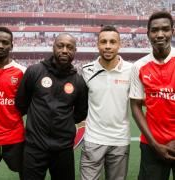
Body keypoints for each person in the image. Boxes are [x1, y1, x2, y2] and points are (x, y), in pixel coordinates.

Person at [15, 33, 88, 180]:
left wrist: (63, 124)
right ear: (53, 47)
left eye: (70, 47)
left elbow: (81, 113)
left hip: (63, 149)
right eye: (60, 46)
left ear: (75, 51)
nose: (65, 50)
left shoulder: (78, 81)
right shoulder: (34, 71)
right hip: (34, 147)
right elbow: (21, 103)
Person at [80, 25, 132, 180]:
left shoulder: (132, 70)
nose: (108, 46)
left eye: (112, 42)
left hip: (120, 140)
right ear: (97, 45)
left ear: (119, 45)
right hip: (92, 140)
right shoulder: (86, 70)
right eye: (103, 42)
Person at [129, 11, 175, 180]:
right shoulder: (139, 66)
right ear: (148, 34)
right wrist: (155, 144)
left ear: (172, 31)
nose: (160, 34)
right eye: (155, 30)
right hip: (152, 145)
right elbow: (135, 105)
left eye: (165, 29)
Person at [0, 26, 26, 179]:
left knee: (26, 174)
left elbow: (28, 104)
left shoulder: (22, 72)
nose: (0, 45)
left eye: (5, 42)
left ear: (12, 45)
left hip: (14, 138)